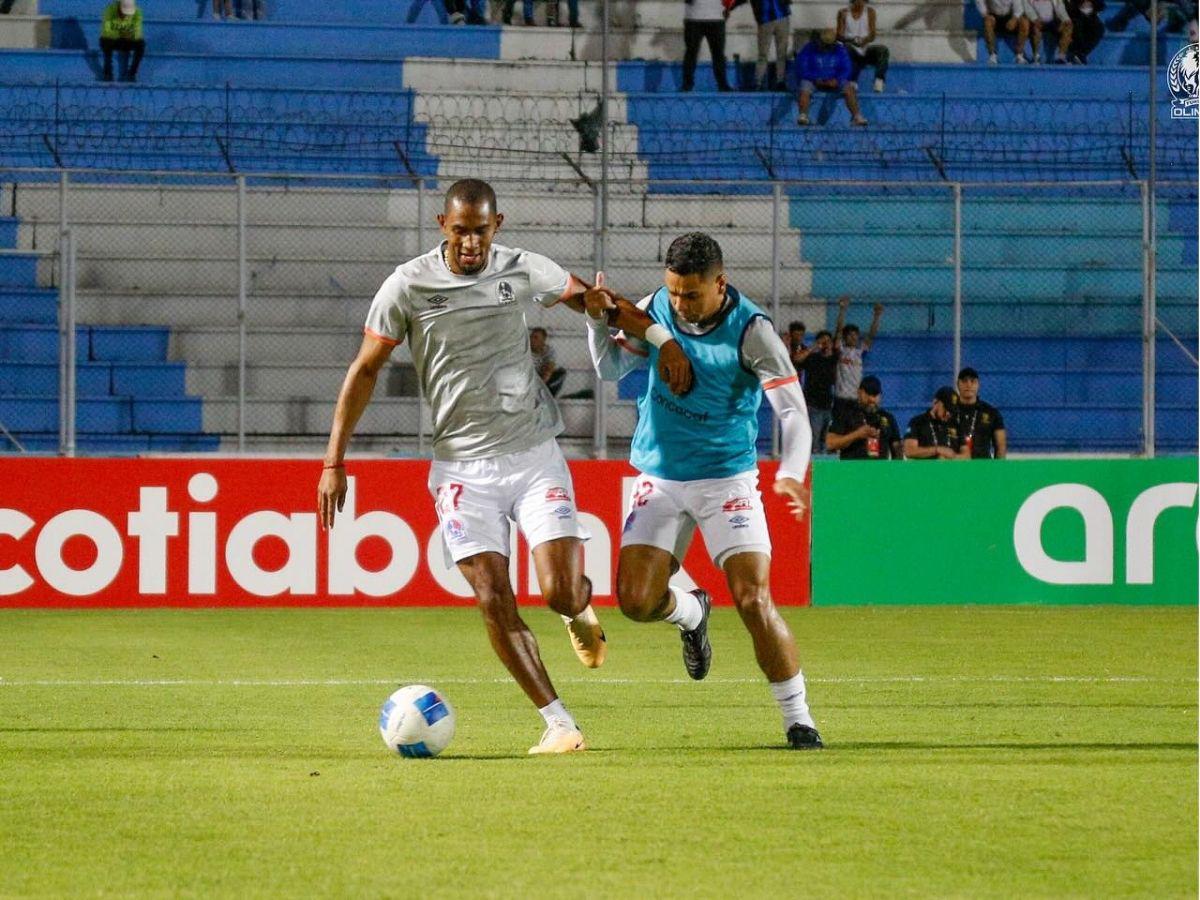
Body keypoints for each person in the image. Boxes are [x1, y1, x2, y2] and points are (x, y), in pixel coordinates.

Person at [317, 179, 696, 755]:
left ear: (498, 225)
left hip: (534, 457)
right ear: (443, 225)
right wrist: (333, 461)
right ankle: (559, 722)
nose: (470, 242)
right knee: (493, 596)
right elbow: (365, 369)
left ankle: (578, 610)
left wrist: (662, 339)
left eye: (481, 230)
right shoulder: (407, 285)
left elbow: (595, 301)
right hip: (461, 472)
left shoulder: (522, 268)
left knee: (561, 593)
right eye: (460, 230)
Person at [584, 232, 823, 751]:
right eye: (672, 292)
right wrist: (595, 323)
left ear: (720, 283)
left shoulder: (753, 332)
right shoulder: (653, 309)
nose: (678, 304)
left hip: (726, 479)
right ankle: (691, 612)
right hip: (660, 477)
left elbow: (792, 414)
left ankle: (799, 720)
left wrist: (791, 471)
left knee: (754, 598)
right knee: (636, 603)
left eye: (690, 295)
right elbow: (610, 367)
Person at [796, 29, 868, 125]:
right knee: (804, 86)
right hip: (814, 80)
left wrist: (837, 80)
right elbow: (802, 68)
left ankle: (856, 116)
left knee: (849, 88)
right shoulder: (808, 49)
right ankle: (803, 115)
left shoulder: (840, 50)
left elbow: (846, 68)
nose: (826, 47)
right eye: (824, 44)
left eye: (829, 45)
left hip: (835, 80)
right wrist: (816, 78)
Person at [831, 296, 883, 421]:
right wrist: (842, 310)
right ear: (845, 337)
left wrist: (877, 316)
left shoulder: (860, 352)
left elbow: (871, 335)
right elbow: (838, 331)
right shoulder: (840, 350)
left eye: (856, 335)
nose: (854, 338)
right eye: (850, 335)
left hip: (856, 398)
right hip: (841, 397)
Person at [825, 375, 902, 459]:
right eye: (868, 394)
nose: (872, 399)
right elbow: (830, 443)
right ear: (859, 392)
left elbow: (897, 449)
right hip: (852, 469)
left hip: (880, 470)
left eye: (875, 395)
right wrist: (857, 434)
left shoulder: (888, 418)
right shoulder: (846, 414)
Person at [725, 0, 793, 91]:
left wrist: (729, 8)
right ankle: (770, 82)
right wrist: (730, 7)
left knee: (769, 54)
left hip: (771, 18)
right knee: (774, 53)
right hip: (776, 16)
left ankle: (762, 82)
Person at [794, 330, 837, 453]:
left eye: (828, 341)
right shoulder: (812, 358)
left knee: (827, 440)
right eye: (823, 341)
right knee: (814, 439)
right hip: (813, 405)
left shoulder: (833, 359)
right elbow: (797, 359)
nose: (826, 344)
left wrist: (829, 348)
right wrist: (815, 346)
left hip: (829, 405)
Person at [954, 366, 1008, 458]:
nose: (968, 385)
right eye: (964, 381)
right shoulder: (950, 411)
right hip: (955, 467)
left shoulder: (991, 412)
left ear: (978, 385)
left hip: (983, 467)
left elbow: (1001, 446)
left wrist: (999, 470)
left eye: (972, 381)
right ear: (958, 384)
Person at [837, 0, 890, 92]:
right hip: (851, 49)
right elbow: (839, 36)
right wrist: (852, 41)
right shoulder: (843, 13)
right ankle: (852, 81)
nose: (861, 3)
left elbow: (873, 34)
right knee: (846, 49)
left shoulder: (870, 12)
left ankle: (878, 81)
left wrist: (864, 41)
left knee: (883, 50)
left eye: (863, 1)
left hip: (865, 49)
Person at [682, 0, 733, 92]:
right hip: (694, 18)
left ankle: (723, 84)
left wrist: (728, 8)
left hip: (715, 17)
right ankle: (687, 85)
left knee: (718, 54)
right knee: (691, 53)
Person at [903, 386, 964, 459]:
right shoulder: (917, 422)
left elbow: (967, 455)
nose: (948, 414)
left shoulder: (955, 425)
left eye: (951, 411)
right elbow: (909, 451)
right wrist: (938, 450)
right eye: (946, 409)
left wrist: (952, 458)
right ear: (935, 402)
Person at [100, 0, 145, 83]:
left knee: (141, 44)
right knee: (105, 41)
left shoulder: (137, 12)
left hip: (128, 39)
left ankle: (132, 73)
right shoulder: (109, 10)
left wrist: (131, 35)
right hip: (114, 39)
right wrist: (122, 33)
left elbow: (138, 32)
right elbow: (106, 31)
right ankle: (108, 73)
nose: (125, 15)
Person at [529, 326, 567, 396]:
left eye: (535, 338)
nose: (532, 340)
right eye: (531, 337)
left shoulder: (549, 350)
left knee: (561, 372)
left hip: (543, 378)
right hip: (531, 378)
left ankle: (547, 396)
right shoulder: (526, 351)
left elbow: (550, 367)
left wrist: (541, 384)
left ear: (543, 340)